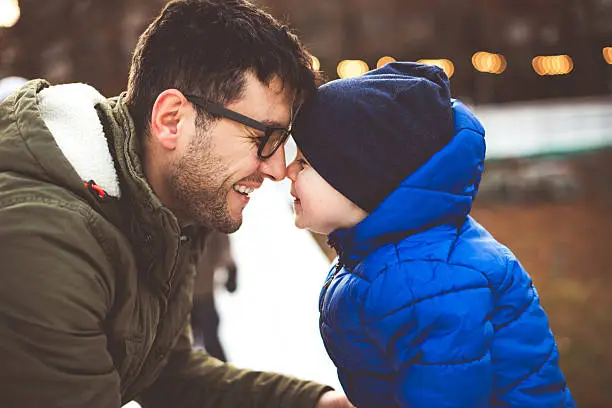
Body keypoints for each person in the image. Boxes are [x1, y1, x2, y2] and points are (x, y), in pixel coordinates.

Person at [0, 0, 352, 407]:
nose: (277, 169)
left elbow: (163, 374)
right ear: (172, 120)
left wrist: (314, 403)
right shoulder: (46, 241)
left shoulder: (163, 206)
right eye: (265, 139)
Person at [286, 62, 576, 407]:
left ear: (359, 178)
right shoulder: (384, 254)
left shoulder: (425, 278)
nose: (287, 171)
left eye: (304, 162)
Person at [191, 231, 237, 361]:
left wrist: (231, 270)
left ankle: (225, 378)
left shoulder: (211, 228)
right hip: (182, 296)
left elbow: (224, 249)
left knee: (210, 340)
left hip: (202, 294)